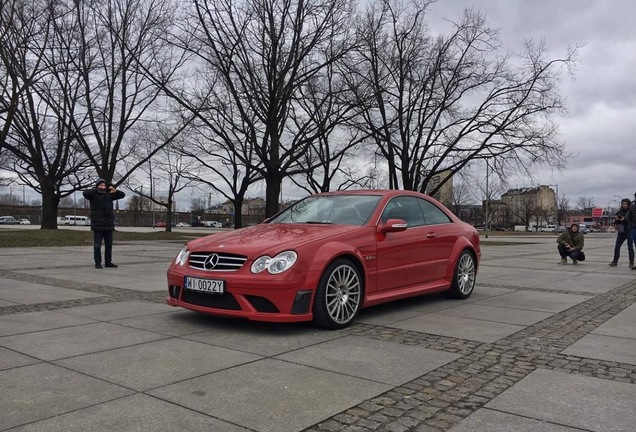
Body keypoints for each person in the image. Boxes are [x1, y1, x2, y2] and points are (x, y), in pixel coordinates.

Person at [83, 179, 125, 269]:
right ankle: (98, 262)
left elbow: (122, 195)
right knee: (97, 245)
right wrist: (96, 189)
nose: (102, 187)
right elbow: (85, 194)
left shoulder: (109, 195)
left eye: (104, 186)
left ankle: (108, 262)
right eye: (101, 185)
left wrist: (113, 188)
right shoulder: (93, 195)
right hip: (98, 225)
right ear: (97, 186)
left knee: (109, 245)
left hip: (108, 224)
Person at [609, 198, 633, 268]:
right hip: (621, 231)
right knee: (617, 247)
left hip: (629, 230)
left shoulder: (631, 211)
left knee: (630, 247)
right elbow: (616, 221)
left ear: (628, 204)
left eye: (626, 204)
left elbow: (632, 221)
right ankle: (615, 261)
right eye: (623, 204)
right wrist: (616, 219)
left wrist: (624, 219)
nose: (624, 205)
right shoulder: (619, 211)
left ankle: (631, 262)